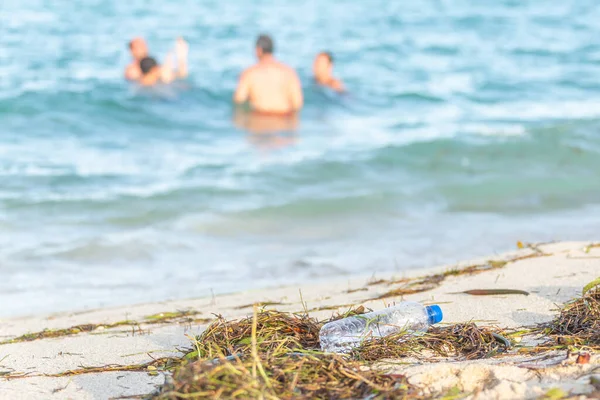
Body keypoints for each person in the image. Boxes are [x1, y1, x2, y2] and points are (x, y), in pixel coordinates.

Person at [234, 35, 303, 114]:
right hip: (283, 120)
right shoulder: (289, 72)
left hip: (260, 119)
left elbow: (239, 100)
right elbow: (297, 104)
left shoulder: (249, 73)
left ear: (258, 50)